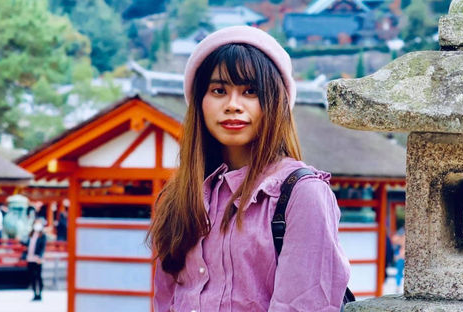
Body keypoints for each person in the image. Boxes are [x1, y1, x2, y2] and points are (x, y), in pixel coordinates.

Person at [149, 26, 351, 312]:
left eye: (250, 92)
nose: (233, 105)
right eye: (219, 90)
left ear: (276, 102)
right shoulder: (178, 198)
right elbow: (164, 301)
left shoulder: (301, 195)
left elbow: (304, 306)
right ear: (199, 101)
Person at [25, 218, 47, 301]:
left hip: (38, 259)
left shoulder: (43, 235)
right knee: (32, 276)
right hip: (30, 258)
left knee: (38, 276)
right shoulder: (31, 234)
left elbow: (42, 248)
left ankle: (40, 293)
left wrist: (40, 257)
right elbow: (28, 244)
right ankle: (34, 293)